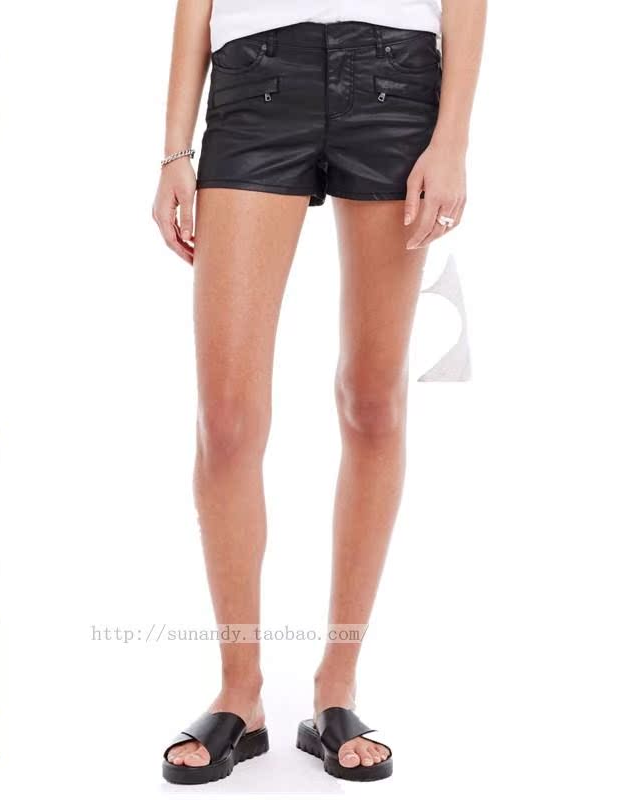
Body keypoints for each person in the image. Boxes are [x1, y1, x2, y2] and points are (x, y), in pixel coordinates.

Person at [153, 0, 486, 784]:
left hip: (395, 80)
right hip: (254, 79)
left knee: (373, 403)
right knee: (227, 419)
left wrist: (453, 139)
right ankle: (240, 694)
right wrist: (173, 150)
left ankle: (337, 689)